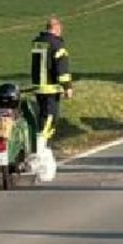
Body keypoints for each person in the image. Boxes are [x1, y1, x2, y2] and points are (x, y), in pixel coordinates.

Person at [30, 15, 73, 150]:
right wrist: (67, 87)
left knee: (42, 115)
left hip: (38, 87)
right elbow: (62, 70)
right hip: (51, 88)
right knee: (50, 118)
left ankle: (41, 144)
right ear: (56, 28)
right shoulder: (57, 45)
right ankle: (40, 146)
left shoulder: (38, 42)